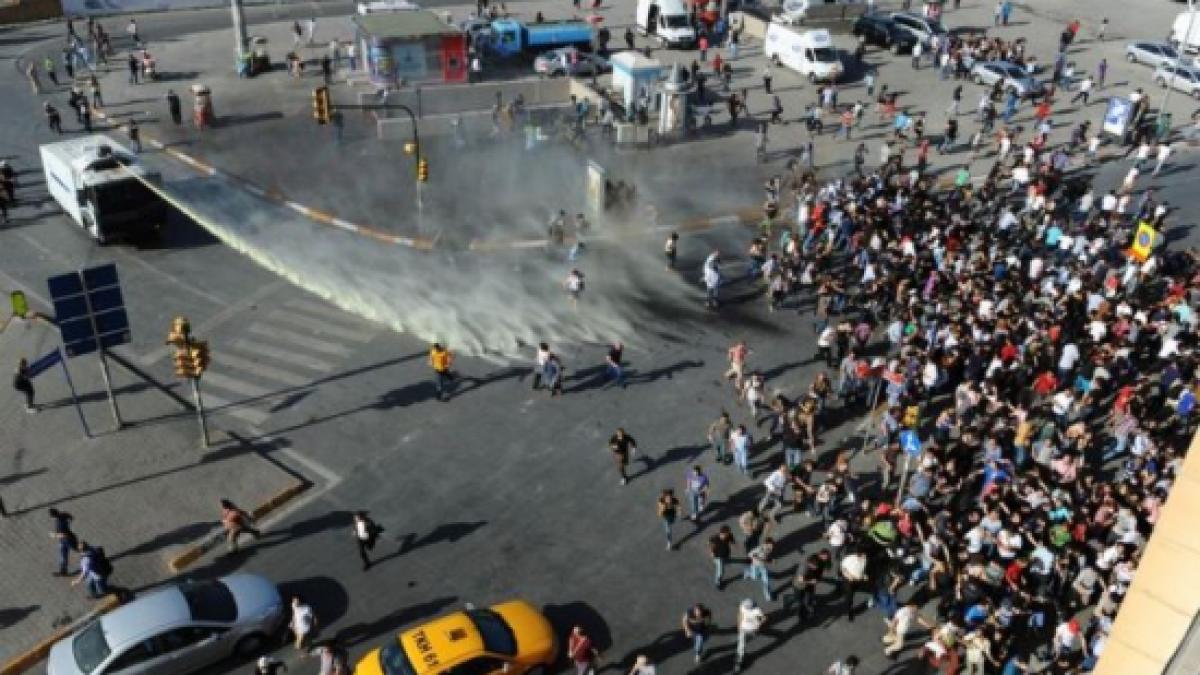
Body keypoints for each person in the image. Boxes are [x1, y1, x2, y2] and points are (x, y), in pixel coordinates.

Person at [735, 598, 765, 672]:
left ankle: (739, 660)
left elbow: (740, 615)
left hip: (744, 629)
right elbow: (763, 619)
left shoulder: (743, 607)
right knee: (741, 644)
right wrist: (758, 625)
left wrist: (739, 626)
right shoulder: (757, 610)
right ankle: (740, 660)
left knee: (741, 644)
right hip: (749, 629)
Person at [49, 508, 78, 576]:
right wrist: (67, 524)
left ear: (52, 516)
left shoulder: (59, 523)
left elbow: (63, 535)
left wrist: (54, 535)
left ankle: (94, 554)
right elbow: (71, 518)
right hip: (67, 539)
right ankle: (63, 570)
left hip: (68, 540)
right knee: (63, 555)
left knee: (78, 549)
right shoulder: (64, 514)